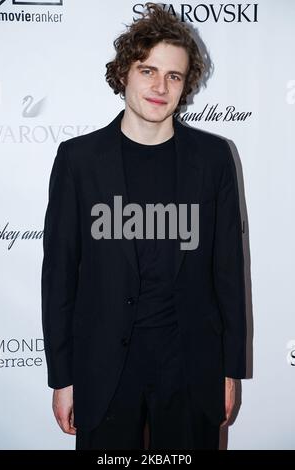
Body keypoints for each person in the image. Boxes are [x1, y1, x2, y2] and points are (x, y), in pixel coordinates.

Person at [41, 2, 247, 450]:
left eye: (173, 76)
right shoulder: (79, 161)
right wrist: (62, 377)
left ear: (186, 85)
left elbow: (228, 271)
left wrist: (229, 370)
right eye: (147, 70)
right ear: (124, 74)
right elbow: (59, 276)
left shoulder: (214, 160)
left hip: (191, 364)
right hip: (104, 368)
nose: (160, 85)